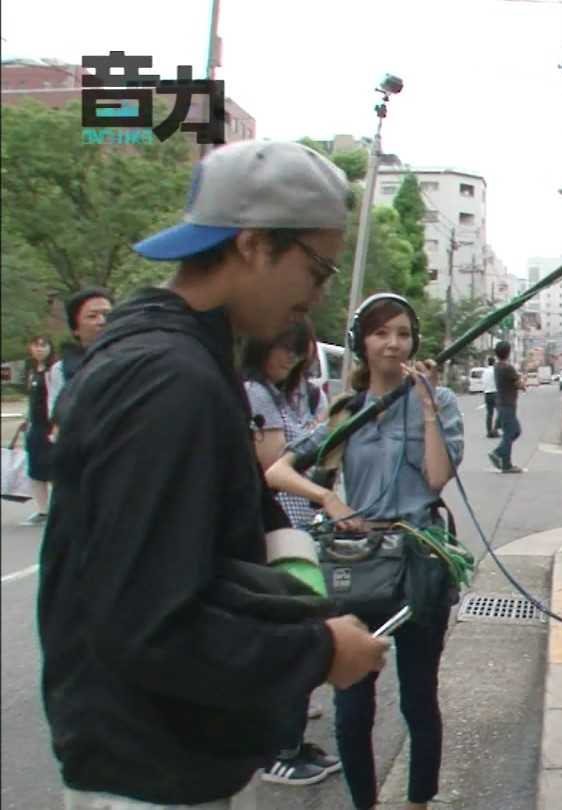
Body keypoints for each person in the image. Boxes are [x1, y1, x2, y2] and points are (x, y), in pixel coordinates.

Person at [37, 138, 390, 809]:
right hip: (150, 767)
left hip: (159, 748)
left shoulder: (173, 357)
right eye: (317, 269)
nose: (317, 296)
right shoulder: (170, 381)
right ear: (253, 245)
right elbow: (147, 619)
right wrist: (317, 652)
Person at [267, 292, 465, 810]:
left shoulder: (438, 401)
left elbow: (437, 477)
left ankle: (418, 802)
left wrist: (426, 406)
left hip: (419, 558)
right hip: (358, 563)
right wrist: (329, 499)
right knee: (352, 706)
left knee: (419, 697)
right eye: (381, 333)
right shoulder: (345, 411)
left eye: (402, 333)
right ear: (361, 343)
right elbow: (278, 470)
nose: (393, 344)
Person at [239, 319, 341, 787]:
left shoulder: (285, 395)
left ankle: (290, 742)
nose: (290, 358)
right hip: (278, 532)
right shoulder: (255, 394)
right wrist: (323, 492)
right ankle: (279, 752)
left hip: (295, 528)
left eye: (297, 350)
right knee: (289, 630)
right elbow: (274, 465)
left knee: (297, 628)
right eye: (283, 346)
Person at [47, 287, 113, 441]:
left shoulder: (134, 359)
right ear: (76, 328)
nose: (102, 321)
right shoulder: (61, 370)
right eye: (92, 316)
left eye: (108, 315)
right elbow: (58, 419)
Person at [22, 335, 55, 525]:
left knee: (54, 470)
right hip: (35, 427)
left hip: (51, 427)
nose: (40, 349)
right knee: (36, 470)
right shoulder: (32, 370)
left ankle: (60, 509)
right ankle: (43, 511)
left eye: (44, 345)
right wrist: (26, 420)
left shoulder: (54, 371)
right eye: (36, 345)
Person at [489, 340, 525, 473]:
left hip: (502, 403)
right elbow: (519, 384)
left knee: (513, 432)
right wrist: (522, 381)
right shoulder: (507, 368)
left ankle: (503, 460)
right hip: (508, 404)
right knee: (511, 432)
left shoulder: (497, 367)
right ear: (508, 352)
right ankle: (501, 457)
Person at [481, 355, 500, 437]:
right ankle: (495, 429)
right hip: (495, 393)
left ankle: (489, 431)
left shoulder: (484, 372)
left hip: (487, 393)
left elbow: (483, 382)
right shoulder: (496, 370)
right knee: (500, 412)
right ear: (494, 362)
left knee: (489, 414)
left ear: (488, 362)